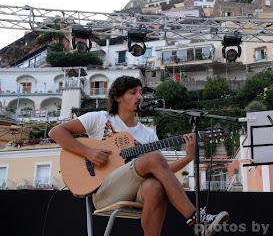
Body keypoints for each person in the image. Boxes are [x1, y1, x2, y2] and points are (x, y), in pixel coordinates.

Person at [49, 75, 229, 236]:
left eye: (140, 93)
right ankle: (196, 218)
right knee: (154, 160)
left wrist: (188, 158)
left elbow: (162, 170)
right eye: (133, 92)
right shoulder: (99, 118)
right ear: (118, 97)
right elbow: (56, 132)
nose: (139, 97)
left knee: (155, 186)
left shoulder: (148, 134)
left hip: (135, 191)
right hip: (104, 191)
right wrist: (88, 152)